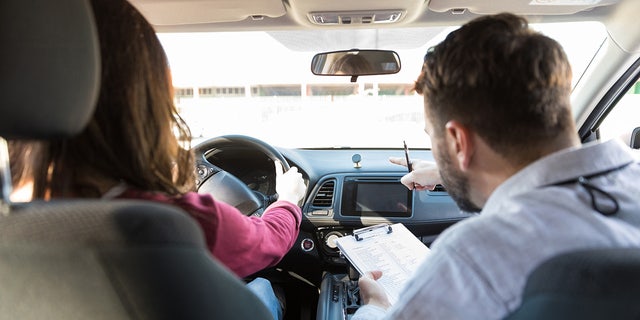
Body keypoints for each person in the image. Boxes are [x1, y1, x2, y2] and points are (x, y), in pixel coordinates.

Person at [9, 0, 305, 319]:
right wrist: (287, 200)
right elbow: (269, 241)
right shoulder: (179, 222)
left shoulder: (13, 214)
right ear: (145, 102)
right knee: (263, 289)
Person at [353, 13, 640, 319]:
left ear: (459, 142)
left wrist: (375, 308)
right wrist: (447, 171)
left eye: (434, 139)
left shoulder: (473, 256)